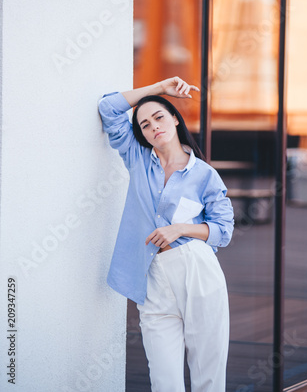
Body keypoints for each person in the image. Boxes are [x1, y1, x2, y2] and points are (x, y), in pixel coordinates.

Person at [98, 76, 234, 392]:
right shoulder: (136, 159)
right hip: (152, 277)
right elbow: (108, 107)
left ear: (174, 118)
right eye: (144, 124)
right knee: (163, 380)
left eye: (159, 116)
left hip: (196, 269)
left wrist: (181, 229)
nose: (153, 126)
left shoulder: (203, 175)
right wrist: (157, 90)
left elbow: (223, 231)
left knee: (208, 373)